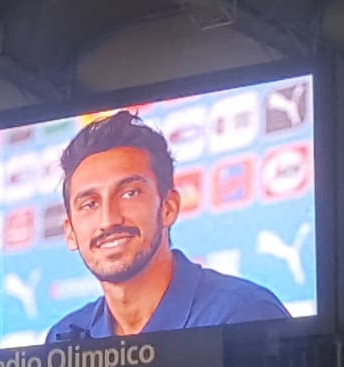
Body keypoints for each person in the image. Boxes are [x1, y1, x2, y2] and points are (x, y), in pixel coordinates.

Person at [45, 111, 289, 343]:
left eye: (130, 193)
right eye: (90, 204)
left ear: (169, 207)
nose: (109, 220)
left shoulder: (243, 315)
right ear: (70, 232)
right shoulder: (63, 339)